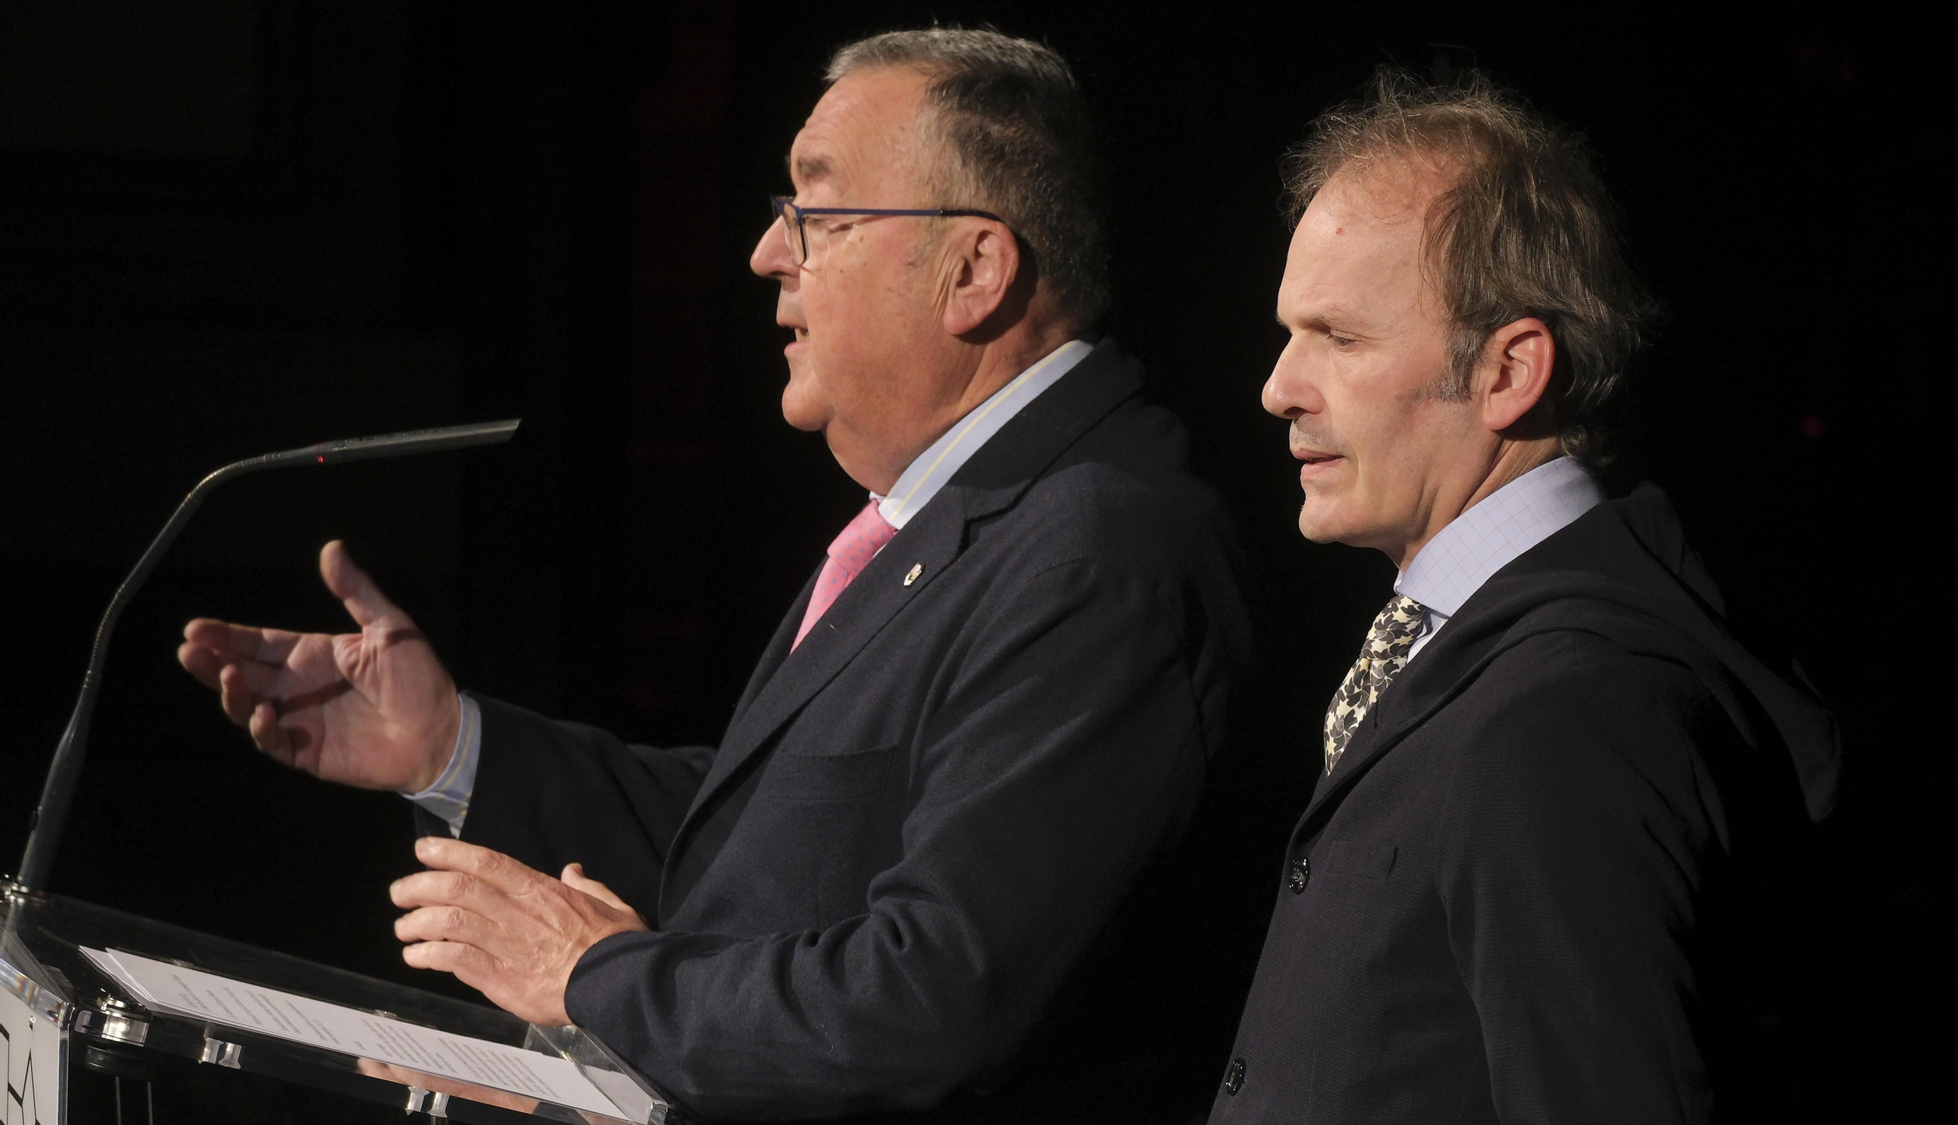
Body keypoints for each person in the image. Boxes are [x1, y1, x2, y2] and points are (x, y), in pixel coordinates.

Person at [178, 29, 1250, 1122]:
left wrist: (594, 985)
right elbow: (772, 844)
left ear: (971, 270)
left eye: (816, 215)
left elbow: (932, 995)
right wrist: (454, 749)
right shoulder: (967, 511)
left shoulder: (1095, 548)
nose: (764, 253)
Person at [1208, 72, 1840, 1123]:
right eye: (1288, 331)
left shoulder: (1564, 712)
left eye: (1338, 336)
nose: (1277, 386)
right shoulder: (1488, 654)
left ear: (1508, 373)